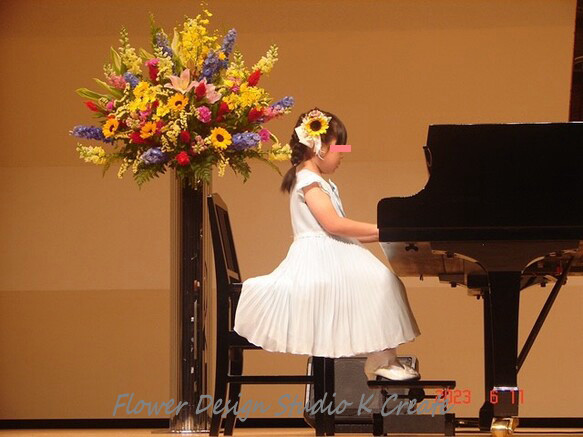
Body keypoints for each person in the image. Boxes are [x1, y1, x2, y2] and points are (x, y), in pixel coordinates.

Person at [233, 107, 421, 381]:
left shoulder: (319, 181)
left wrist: (386, 233)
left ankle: (383, 355)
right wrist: (386, 230)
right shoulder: (308, 180)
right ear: (319, 147)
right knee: (379, 281)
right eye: (339, 148)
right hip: (317, 258)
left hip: (331, 251)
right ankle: (382, 357)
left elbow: (345, 230)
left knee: (381, 280)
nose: (342, 156)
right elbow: (334, 225)